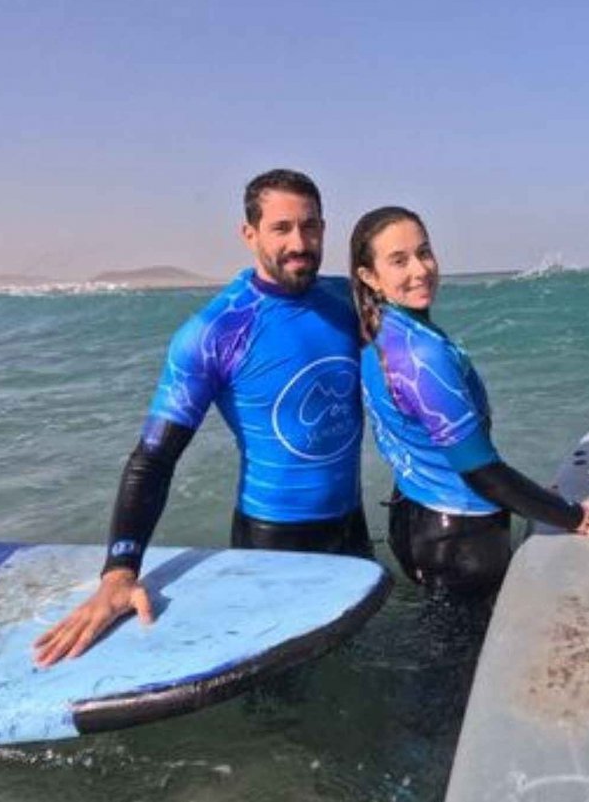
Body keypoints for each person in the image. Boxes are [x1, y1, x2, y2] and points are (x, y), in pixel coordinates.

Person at [34, 169, 367, 666]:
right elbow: (153, 459)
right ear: (249, 234)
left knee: (358, 664)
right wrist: (120, 573)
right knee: (282, 693)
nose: (300, 242)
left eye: (311, 226)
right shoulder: (215, 331)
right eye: (282, 228)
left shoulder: (348, 301)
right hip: (273, 542)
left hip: (353, 528)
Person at [350, 206, 589, 596]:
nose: (420, 269)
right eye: (399, 261)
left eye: (424, 252)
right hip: (460, 540)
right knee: (467, 654)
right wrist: (578, 516)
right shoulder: (421, 354)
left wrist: (537, 498)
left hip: (413, 517)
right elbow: (481, 472)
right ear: (369, 276)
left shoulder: (379, 333)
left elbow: (425, 443)